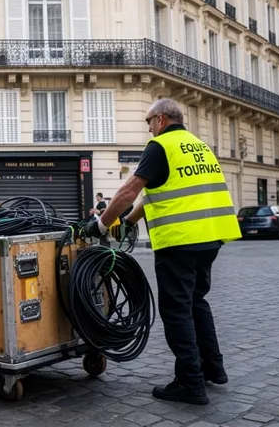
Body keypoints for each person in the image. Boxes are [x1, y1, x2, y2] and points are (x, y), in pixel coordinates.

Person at [84, 99, 240, 405]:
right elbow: (158, 192)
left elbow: (130, 190)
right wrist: (128, 221)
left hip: (180, 240)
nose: (148, 130)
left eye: (148, 123)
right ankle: (213, 368)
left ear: (161, 120)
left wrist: (101, 225)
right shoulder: (198, 145)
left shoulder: (161, 146)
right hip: (211, 238)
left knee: (177, 310)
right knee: (197, 301)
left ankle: (190, 383)